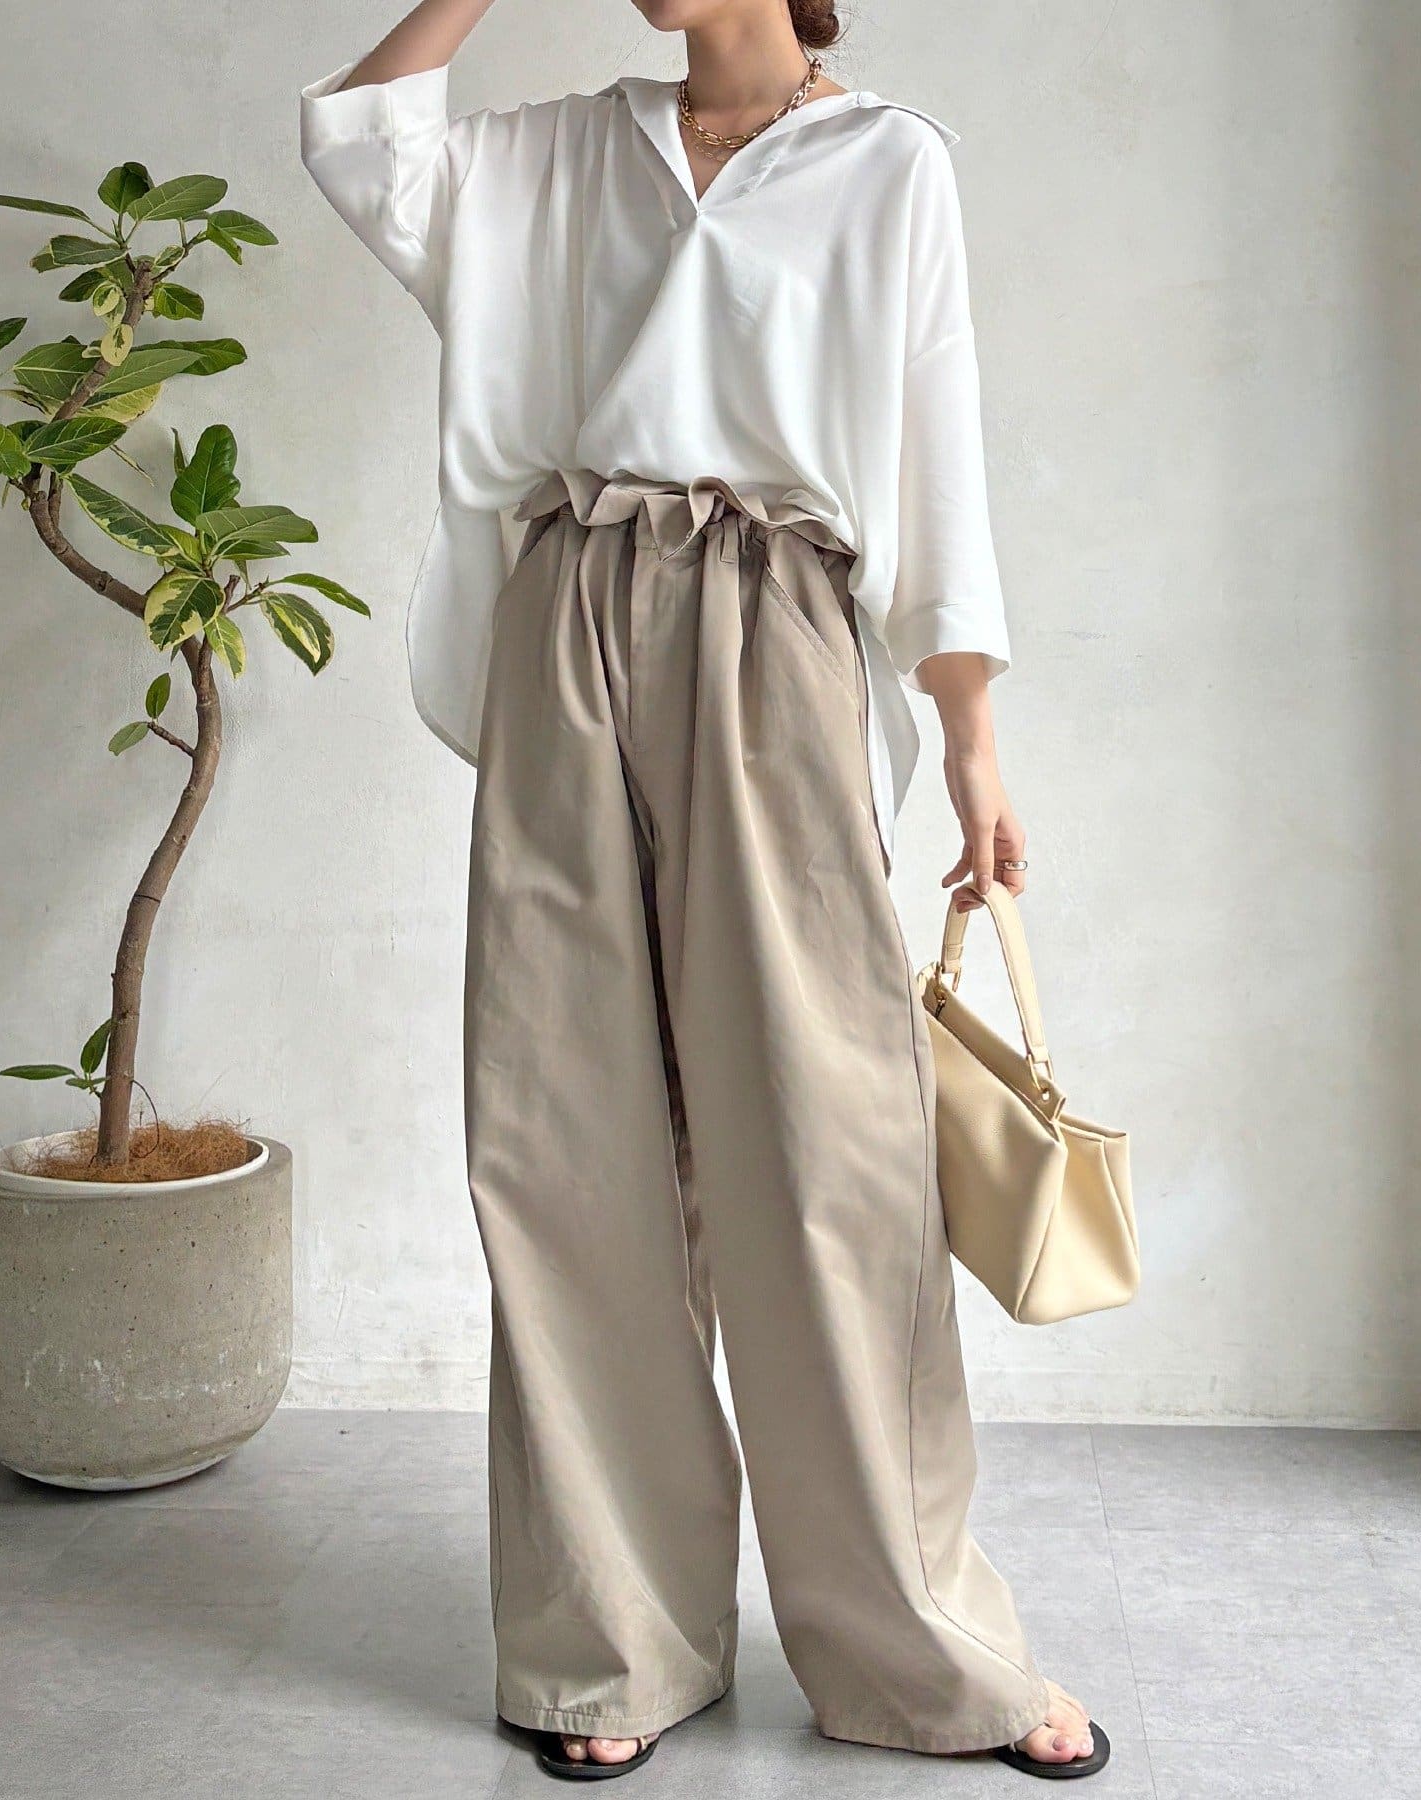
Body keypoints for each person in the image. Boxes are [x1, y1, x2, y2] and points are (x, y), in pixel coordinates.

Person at [300, 0, 1107, 1781]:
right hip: (566, 623)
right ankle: (610, 1648)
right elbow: (364, 138)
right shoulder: (562, 151)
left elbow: (936, 446)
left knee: (830, 1154)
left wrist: (973, 740)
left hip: (775, 633)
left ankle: (919, 1651)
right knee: (562, 1142)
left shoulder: (888, 163)